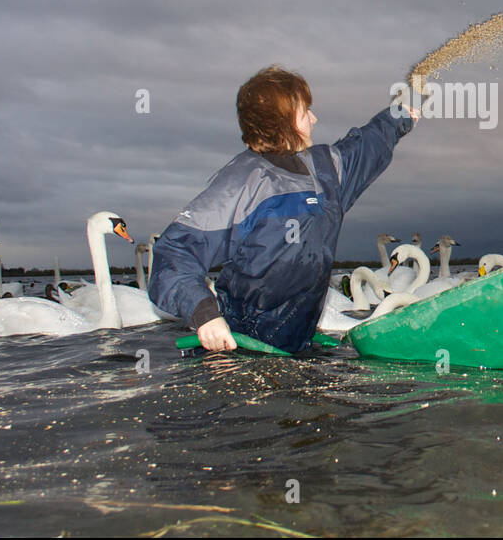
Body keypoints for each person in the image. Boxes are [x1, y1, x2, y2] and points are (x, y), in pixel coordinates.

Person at [149, 66, 417, 353]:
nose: (314, 119)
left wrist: (399, 116)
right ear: (283, 122)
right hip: (240, 348)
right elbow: (174, 254)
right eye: (305, 112)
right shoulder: (240, 183)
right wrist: (204, 315)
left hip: (298, 343)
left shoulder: (326, 170)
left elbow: (366, 146)